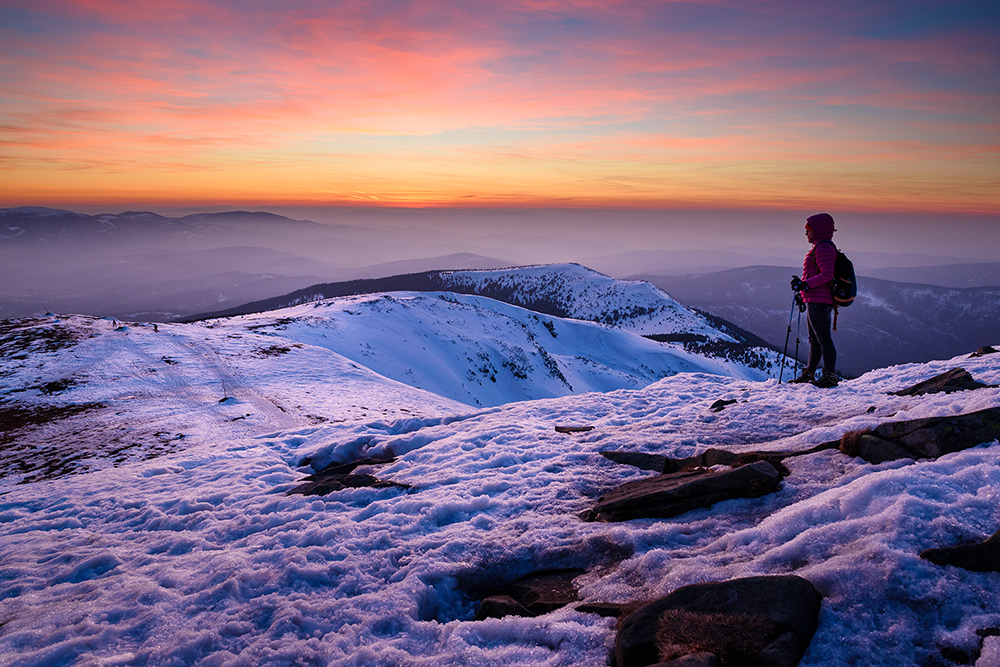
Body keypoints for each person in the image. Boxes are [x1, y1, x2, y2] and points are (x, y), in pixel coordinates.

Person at [789, 213, 841, 387]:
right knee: (815, 340)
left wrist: (804, 285)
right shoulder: (820, 247)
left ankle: (829, 376)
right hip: (815, 299)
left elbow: (827, 275)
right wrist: (804, 292)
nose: (806, 234)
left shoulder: (823, 248)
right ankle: (810, 373)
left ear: (817, 230)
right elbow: (817, 275)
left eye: (808, 230)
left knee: (823, 339)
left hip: (819, 301)